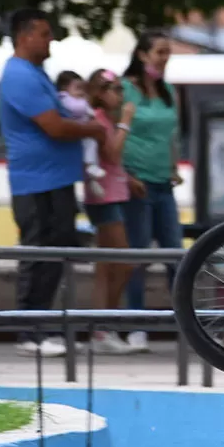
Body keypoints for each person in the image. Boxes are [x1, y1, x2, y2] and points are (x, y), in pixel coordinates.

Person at [0, 9, 106, 358]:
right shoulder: (19, 75)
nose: (50, 41)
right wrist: (93, 130)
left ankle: (43, 325)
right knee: (38, 252)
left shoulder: (36, 73)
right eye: (44, 34)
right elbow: (55, 127)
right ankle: (29, 332)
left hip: (55, 178)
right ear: (24, 36)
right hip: (36, 181)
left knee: (57, 250)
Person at [121, 29, 183, 353]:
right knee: (139, 256)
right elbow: (113, 132)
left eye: (167, 52)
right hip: (137, 184)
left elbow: (171, 134)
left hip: (163, 183)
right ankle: (135, 325)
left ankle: (187, 326)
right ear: (142, 54)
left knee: (176, 256)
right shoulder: (125, 89)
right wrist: (125, 174)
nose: (165, 58)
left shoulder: (167, 90)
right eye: (159, 52)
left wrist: (173, 166)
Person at [83, 69, 139, 354]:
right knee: (123, 263)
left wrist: (129, 180)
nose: (120, 95)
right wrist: (126, 122)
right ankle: (105, 326)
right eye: (115, 89)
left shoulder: (105, 120)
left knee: (105, 266)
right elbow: (112, 154)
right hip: (103, 200)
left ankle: (101, 329)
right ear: (100, 93)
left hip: (113, 195)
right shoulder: (98, 121)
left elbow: (111, 164)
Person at [56, 70, 106, 192]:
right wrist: (85, 102)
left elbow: (91, 113)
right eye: (78, 88)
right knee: (89, 145)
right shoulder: (63, 98)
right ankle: (90, 170)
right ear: (64, 87)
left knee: (92, 145)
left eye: (82, 89)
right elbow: (77, 108)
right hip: (74, 134)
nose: (81, 92)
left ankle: (92, 176)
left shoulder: (78, 100)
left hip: (83, 133)